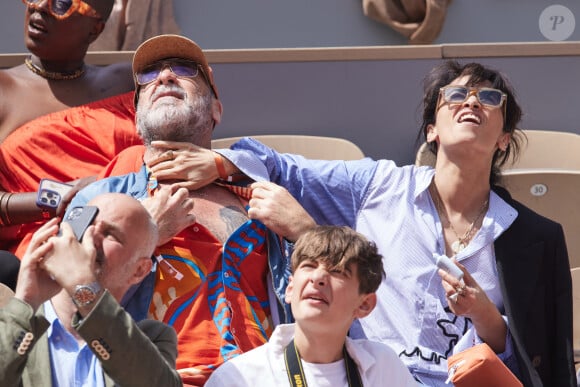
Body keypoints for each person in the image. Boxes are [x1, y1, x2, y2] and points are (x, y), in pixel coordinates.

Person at [160, 60, 575, 386]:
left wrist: (487, 318)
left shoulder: (535, 236)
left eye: (489, 97)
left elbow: (546, 360)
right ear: (431, 130)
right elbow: (281, 166)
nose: (472, 102)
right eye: (456, 94)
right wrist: (218, 162)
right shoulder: (377, 185)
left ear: (504, 138)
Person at [68, 34, 293, 386]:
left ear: (216, 109)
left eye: (185, 70)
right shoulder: (95, 199)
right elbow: (63, 297)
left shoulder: (263, 197)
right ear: (137, 112)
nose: (165, 76)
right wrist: (145, 234)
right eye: (149, 75)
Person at [0, 0, 142, 256]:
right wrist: (66, 196)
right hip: (50, 254)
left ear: (95, 30)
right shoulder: (2, 90)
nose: (39, 7)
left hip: (141, 239)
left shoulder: (126, 82)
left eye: (62, 4)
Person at [0, 192, 182, 386]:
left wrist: (84, 289)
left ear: (139, 270)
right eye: (87, 223)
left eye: (110, 234)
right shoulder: (13, 320)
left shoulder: (153, 337)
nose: (90, 236)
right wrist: (27, 301)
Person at [205, 225, 417, 387]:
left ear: (364, 304)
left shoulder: (383, 367)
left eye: (338, 272)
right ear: (290, 289)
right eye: (309, 266)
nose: (318, 278)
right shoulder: (240, 378)